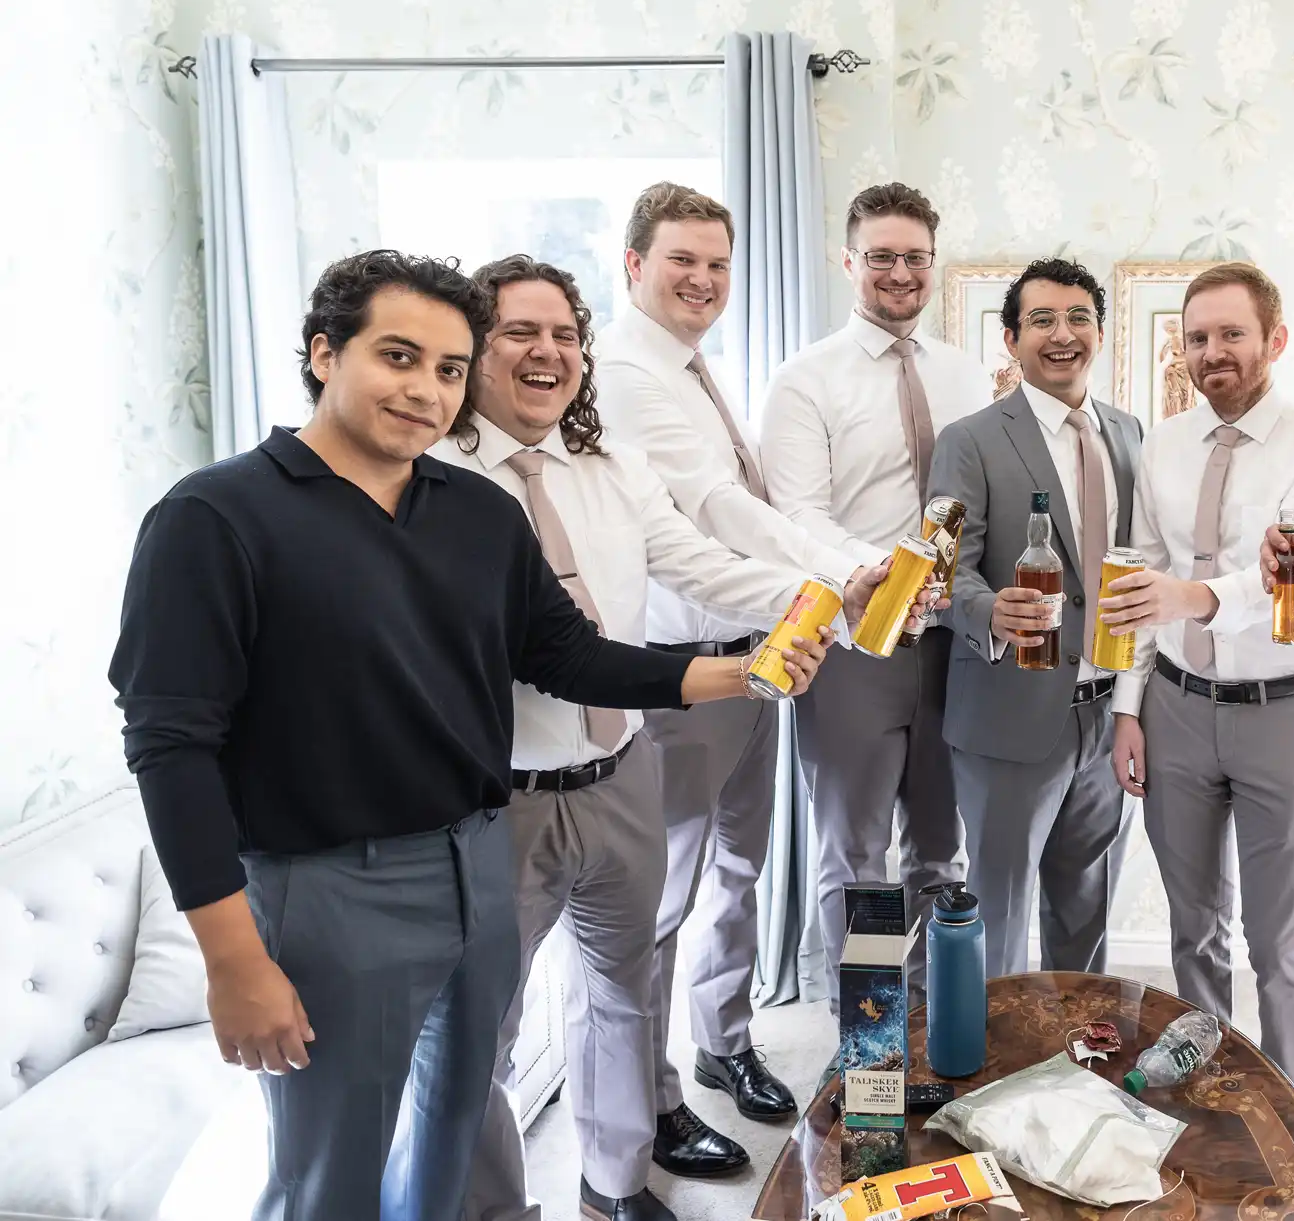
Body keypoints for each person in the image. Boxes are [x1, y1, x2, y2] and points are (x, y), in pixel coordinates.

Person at [106, 251, 826, 1221]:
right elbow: (169, 745)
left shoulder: (477, 513)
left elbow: (569, 657)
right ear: (324, 352)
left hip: (477, 861)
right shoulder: (217, 515)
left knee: (450, 1134)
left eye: (448, 368)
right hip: (325, 888)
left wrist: (742, 674)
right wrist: (233, 958)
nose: (427, 388)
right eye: (398, 356)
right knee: (330, 1172)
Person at [446, 256, 894, 1221]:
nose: (548, 352)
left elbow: (699, 559)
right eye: (521, 332)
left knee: (621, 993)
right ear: (474, 348)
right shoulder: (436, 482)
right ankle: (488, 1208)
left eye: (565, 335)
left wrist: (818, 597)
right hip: (495, 800)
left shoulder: (610, 470)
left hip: (620, 770)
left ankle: (614, 1185)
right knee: (483, 1025)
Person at [594, 183, 874, 1176]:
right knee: (659, 904)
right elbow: (712, 508)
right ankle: (650, 1105)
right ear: (632, 264)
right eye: (682, 260)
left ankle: (720, 1043)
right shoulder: (626, 373)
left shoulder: (693, 367)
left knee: (738, 871)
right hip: (682, 673)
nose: (704, 280)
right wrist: (839, 574)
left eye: (717, 263)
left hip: (756, 658)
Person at [1092, 261, 1294, 1113]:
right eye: (1197, 337)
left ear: (1274, 339)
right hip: (1174, 707)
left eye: (1232, 333)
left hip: (1283, 711)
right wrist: (1130, 709)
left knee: (1282, 943)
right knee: (1193, 927)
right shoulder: (1161, 443)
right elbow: (1142, 580)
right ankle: (1204, 1098)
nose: (1213, 352)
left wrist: (1199, 598)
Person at [759, 182, 990, 1001]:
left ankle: (929, 1035)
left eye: (915, 257)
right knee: (857, 858)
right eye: (882, 256)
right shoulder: (804, 380)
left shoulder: (967, 375)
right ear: (848, 260)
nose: (900, 273)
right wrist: (888, 576)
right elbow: (796, 514)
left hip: (956, 651)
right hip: (858, 648)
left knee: (941, 851)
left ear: (934, 263)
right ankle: (872, 1051)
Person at [927, 258, 1143, 979]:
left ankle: (1076, 1069)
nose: (1063, 334)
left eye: (1079, 317)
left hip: (1108, 715)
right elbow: (940, 569)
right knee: (999, 915)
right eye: (1042, 320)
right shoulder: (970, 439)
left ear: (1101, 333)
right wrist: (992, 609)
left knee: (1085, 915)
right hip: (1008, 717)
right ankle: (991, 1081)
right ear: (1012, 339)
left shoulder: (1130, 432)